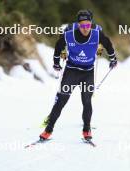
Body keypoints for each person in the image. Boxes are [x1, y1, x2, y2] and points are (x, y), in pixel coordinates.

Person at [39, 9, 117, 140]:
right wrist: (56, 63)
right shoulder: (69, 34)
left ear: (91, 24)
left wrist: (113, 58)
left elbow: (108, 44)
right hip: (72, 71)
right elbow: (58, 46)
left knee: (87, 101)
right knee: (62, 100)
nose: (85, 28)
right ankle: (48, 130)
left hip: (88, 73)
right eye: (82, 25)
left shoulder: (97, 34)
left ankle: (86, 130)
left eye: (87, 25)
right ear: (78, 25)